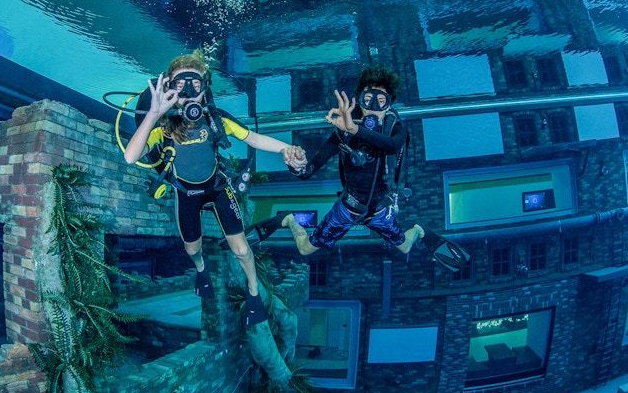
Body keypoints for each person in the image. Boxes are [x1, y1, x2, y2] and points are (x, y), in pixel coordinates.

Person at [123, 50, 305, 326]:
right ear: (170, 88)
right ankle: (201, 271)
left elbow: (253, 139)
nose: (187, 91)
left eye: (194, 85)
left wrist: (286, 148)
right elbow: (131, 156)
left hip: (218, 188)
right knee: (192, 250)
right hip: (186, 194)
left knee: (242, 250)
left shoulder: (216, 120)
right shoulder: (164, 126)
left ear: (204, 89)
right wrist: (154, 114)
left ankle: (254, 294)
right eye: (180, 84)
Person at [273, 63, 425, 256]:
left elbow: (393, 146)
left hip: (380, 211)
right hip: (347, 209)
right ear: (359, 101)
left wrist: (355, 129)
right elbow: (307, 172)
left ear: (389, 105)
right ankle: (289, 220)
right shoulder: (344, 131)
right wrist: (296, 165)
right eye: (368, 100)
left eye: (381, 101)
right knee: (304, 249)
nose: (373, 108)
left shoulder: (394, 129)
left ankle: (418, 230)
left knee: (404, 246)